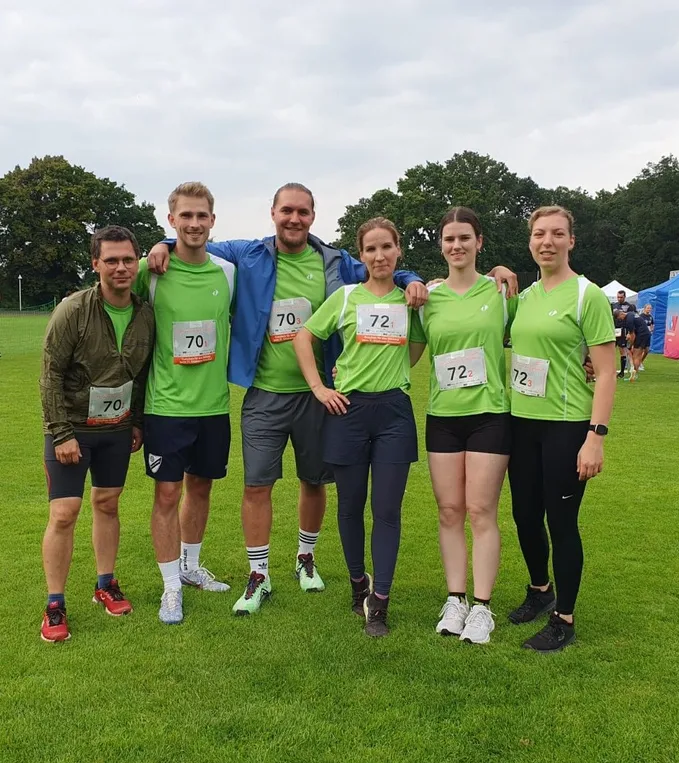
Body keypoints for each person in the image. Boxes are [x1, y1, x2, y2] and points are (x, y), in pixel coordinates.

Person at [147, 184, 515, 616]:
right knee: (256, 485)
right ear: (273, 213)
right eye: (287, 210)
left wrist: (412, 278)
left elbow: (382, 266)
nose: (294, 218)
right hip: (264, 391)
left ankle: (306, 558)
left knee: (314, 481)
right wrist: (162, 243)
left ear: (313, 216)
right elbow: (196, 239)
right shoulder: (247, 254)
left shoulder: (334, 261)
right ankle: (259, 574)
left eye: (303, 212)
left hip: (320, 397)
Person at [293, 218, 426, 638]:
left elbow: (418, 344)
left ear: (398, 250)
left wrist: (395, 369)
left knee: (387, 510)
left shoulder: (411, 300)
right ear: (361, 255)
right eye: (371, 249)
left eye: (386, 247)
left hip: (394, 413)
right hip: (348, 411)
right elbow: (303, 337)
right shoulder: (346, 296)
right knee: (350, 505)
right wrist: (319, 388)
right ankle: (357, 584)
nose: (379, 256)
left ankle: (380, 601)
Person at [506, 206, 616, 652]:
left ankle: (564, 618)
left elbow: (605, 372)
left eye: (556, 234)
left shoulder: (588, 296)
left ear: (571, 240)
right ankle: (540, 590)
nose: (546, 241)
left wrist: (595, 437)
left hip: (566, 426)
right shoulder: (526, 296)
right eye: (539, 234)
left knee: (562, 521)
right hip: (521, 423)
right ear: (530, 241)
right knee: (524, 515)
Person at [39, 226, 155, 642]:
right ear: (95, 264)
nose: (121, 267)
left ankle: (106, 584)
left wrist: (136, 421)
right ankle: (55, 604)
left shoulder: (146, 314)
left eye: (128, 260)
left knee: (107, 504)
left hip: (117, 428)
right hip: (72, 428)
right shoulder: (72, 310)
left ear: (137, 262)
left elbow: (142, 374)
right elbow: (50, 374)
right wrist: (61, 433)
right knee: (64, 513)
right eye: (111, 260)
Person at [135, 182, 235, 625]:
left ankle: (191, 567)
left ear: (213, 220)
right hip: (166, 406)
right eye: (186, 216)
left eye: (202, 216)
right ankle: (170, 587)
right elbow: (111, 286)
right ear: (171, 219)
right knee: (167, 494)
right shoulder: (151, 270)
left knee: (201, 488)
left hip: (213, 406)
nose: (194, 224)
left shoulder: (228, 273)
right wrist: (158, 246)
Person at [415, 208, 512, 645]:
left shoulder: (501, 291)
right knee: (449, 510)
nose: (457, 246)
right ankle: (455, 599)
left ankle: (482, 607)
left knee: (480, 510)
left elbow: (537, 330)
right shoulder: (428, 298)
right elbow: (406, 352)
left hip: (490, 414)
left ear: (479, 242)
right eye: (449, 239)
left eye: (465, 238)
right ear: (441, 245)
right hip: (443, 418)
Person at [614, 308, 650, 382]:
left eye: (619, 318)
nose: (620, 320)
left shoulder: (628, 321)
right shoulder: (631, 314)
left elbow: (632, 335)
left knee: (635, 356)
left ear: (621, 314)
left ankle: (634, 375)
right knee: (643, 352)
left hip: (641, 335)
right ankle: (637, 369)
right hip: (646, 333)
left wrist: (630, 345)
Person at [611, 290, 636, 378]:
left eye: (621, 297)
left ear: (625, 297)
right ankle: (609, 370)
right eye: (618, 297)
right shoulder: (614, 305)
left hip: (623, 330)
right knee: (610, 350)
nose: (619, 299)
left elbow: (632, 319)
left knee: (622, 350)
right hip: (614, 330)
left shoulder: (629, 306)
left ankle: (622, 372)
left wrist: (629, 332)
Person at [638, 303, 654, 371]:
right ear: (644, 309)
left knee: (647, 350)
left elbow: (652, 324)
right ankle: (638, 363)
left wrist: (651, 330)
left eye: (650, 308)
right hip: (642, 335)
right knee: (640, 350)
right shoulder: (641, 316)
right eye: (648, 308)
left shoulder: (650, 316)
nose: (649, 309)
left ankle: (641, 362)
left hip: (648, 335)